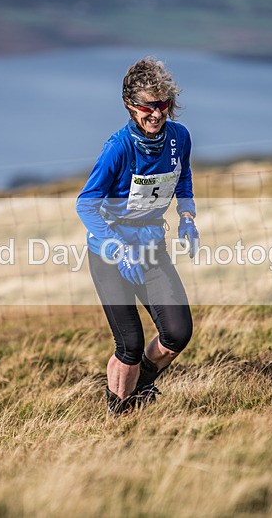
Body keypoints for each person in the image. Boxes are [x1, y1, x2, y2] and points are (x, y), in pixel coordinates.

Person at [76, 57, 200, 416]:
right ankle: (119, 415)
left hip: (151, 248)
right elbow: (85, 205)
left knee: (177, 333)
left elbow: (183, 176)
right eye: (147, 106)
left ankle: (141, 387)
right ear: (130, 105)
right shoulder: (118, 147)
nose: (156, 114)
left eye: (162, 104)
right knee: (129, 345)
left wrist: (187, 216)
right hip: (110, 253)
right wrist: (116, 247)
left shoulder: (179, 137)